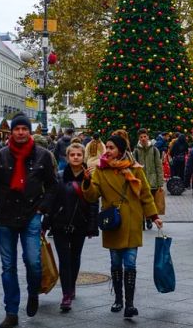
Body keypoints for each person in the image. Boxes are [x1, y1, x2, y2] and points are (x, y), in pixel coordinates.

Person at [0, 114, 58, 328]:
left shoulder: (43, 155)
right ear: (11, 132)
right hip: (6, 215)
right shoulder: (2, 154)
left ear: (29, 131)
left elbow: (52, 186)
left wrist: (42, 208)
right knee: (7, 266)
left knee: (33, 262)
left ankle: (33, 291)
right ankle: (11, 311)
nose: (20, 132)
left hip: (31, 214)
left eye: (24, 128)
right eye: (17, 129)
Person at [81, 135, 162, 319]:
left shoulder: (135, 169)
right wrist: (86, 182)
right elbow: (92, 196)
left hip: (132, 221)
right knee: (116, 263)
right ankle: (118, 299)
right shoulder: (100, 170)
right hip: (114, 222)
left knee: (130, 264)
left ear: (120, 150)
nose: (107, 151)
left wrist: (154, 216)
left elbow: (145, 194)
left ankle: (130, 304)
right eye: (106, 147)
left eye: (111, 148)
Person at [44, 143, 98, 312]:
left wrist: (92, 226)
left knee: (74, 258)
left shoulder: (89, 178)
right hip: (60, 223)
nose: (75, 157)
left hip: (80, 225)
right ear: (67, 158)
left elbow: (93, 202)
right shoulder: (59, 177)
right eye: (72, 155)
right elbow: (51, 201)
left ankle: (71, 285)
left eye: (79, 155)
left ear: (84, 157)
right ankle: (66, 294)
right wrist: (45, 225)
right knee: (64, 260)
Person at [133, 128, 164, 230]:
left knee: (150, 201)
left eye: (145, 136)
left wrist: (160, 183)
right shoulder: (136, 151)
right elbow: (134, 167)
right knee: (140, 201)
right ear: (139, 138)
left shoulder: (154, 150)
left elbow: (158, 166)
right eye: (141, 137)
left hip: (152, 181)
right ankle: (142, 221)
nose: (143, 139)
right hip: (140, 181)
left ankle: (149, 219)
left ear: (148, 137)